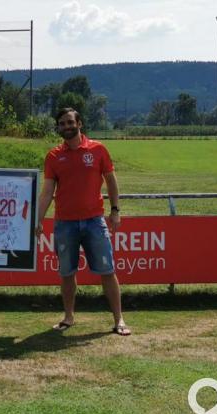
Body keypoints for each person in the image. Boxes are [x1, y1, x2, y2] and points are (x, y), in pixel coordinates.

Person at [36, 107, 131, 336]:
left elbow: (111, 181)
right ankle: (68, 317)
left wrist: (115, 210)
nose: (66, 126)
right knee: (67, 273)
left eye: (70, 122)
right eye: (62, 123)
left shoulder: (98, 149)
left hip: (94, 222)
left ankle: (119, 320)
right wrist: (38, 220)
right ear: (58, 127)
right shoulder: (53, 156)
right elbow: (47, 192)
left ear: (79, 124)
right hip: (64, 223)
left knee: (107, 271)